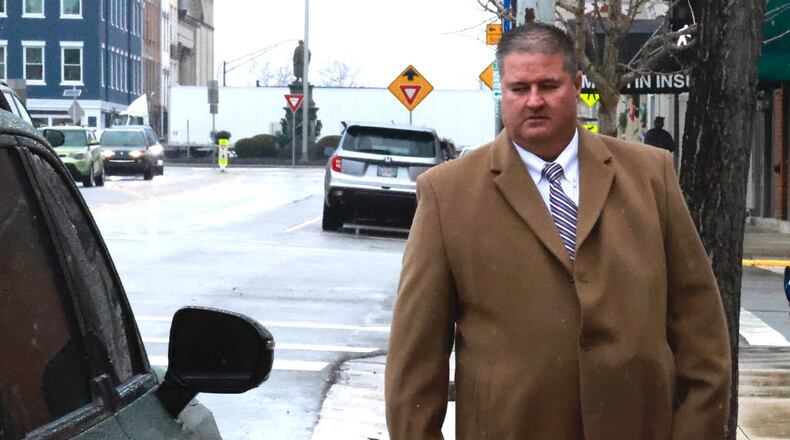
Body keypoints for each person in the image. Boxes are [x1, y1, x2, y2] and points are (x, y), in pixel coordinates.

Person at [385, 22, 731, 439]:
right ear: (503, 93)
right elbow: (415, 362)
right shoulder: (447, 194)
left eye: (548, 85)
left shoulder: (650, 177)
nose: (534, 101)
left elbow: (702, 337)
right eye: (519, 89)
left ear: (577, 85)